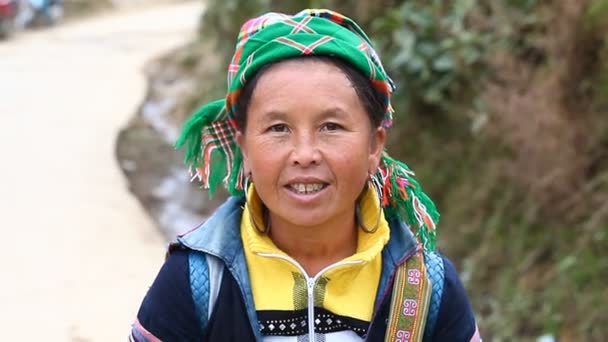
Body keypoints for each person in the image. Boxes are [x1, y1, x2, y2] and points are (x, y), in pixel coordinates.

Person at [130, 9, 481, 342]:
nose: (304, 155)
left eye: (331, 126)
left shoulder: (426, 290)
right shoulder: (194, 283)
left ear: (374, 146)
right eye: (278, 128)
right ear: (244, 149)